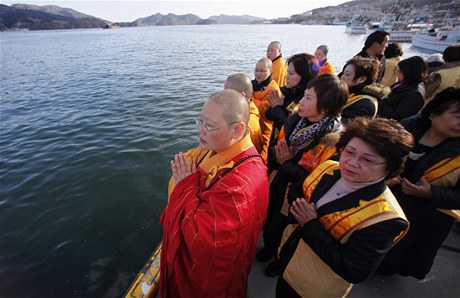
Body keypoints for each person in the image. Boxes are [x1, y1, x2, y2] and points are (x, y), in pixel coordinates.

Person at [276, 117, 413, 297]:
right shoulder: (329, 168)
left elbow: (352, 269)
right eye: (349, 152)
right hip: (288, 260)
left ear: (390, 168)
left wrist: (310, 224)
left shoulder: (386, 218)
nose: (352, 162)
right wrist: (300, 213)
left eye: (368, 160)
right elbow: (298, 188)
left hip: (313, 286)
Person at [159, 90, 269, 298]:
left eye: (208, 126)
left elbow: (205, 242)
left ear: (237, 130)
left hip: (212, 281)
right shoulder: (220, 149)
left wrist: (185, 186)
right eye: (199, 121)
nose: (200, 131)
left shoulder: (242, 185)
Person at [257, 74, 349, 276]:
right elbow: (277, 147)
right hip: (279, 180)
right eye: (304, 95)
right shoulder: (297, 120)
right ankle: (269, 249)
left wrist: (287, 163)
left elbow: (316, 181)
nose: (301, 101)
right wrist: (278, 159)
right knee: (270, 219)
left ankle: (280, 260)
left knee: (285, 228)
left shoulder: (331, 142)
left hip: (298, 195)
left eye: (308, 98)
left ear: (325, 108)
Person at [376, 87, 460, 280]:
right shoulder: (405, 129)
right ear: (433, 113)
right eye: (456, 115)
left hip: (423, 218)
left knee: (393, 261)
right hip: (385, 202)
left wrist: (431, 193)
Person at [265, 53, 319, 152]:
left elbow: (292, 129)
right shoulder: (288, 92)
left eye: (291, 73)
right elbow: (269, 113)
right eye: (287, 72)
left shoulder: (309, 100)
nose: (286, 77)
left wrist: (277, 109)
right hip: (276, 145)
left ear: (304, 75)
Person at [225, 73, 264, 155]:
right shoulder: (244, 110)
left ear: (242, 95)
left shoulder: (248, 125)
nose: (223, 97)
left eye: (228, 93)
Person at [378, 56, 427, 121]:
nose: (397, 73)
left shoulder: (415, 94)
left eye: (400, 72)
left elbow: (399, 117)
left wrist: (379, 102)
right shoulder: (404, 83)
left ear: (409, 73)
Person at [251, 58, 282, 163]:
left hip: (264, 129)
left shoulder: (273, 89)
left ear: (270, 71)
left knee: (260, 157)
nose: (258, 74)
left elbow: (264, 111)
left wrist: (248, 100)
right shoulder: (253, 85)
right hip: (251, 127)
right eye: (256, 70)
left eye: (262, 71)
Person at [340, 56, 382, 123]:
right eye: (343, 73)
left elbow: (345, 126)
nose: (342, 77)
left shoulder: (366, 103)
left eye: (347, 74)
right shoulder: (350, 93)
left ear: (362, 79)